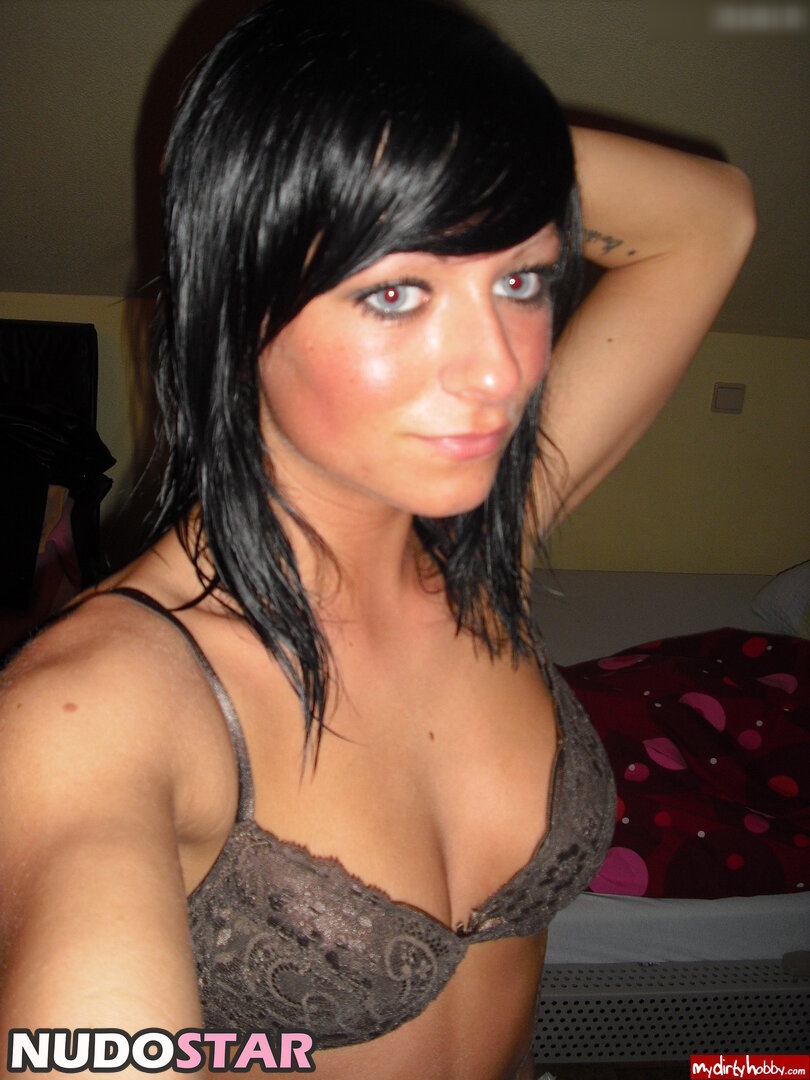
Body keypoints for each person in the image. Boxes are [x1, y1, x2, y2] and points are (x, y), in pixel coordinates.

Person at [0, 1, 755, 1077]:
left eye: (521, 279)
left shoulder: (481, 549)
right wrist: (266, 160)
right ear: (236, 293)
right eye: (398, 292)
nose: (498, 371)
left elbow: (713, 216)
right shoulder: (96, 710)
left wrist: (422, 141)